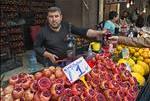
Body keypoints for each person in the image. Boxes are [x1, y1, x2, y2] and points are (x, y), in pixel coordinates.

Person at [34, 6, 105, 66]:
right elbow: (37, 47)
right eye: (51, 17)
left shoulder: (67, 25)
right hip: (55, 64)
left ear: (61, 17)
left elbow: (83, 31)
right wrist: (48, 55)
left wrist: (99, 32)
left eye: (56, 16)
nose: (54, 19)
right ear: (47, 18)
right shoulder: (43, 32)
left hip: (70, 61)